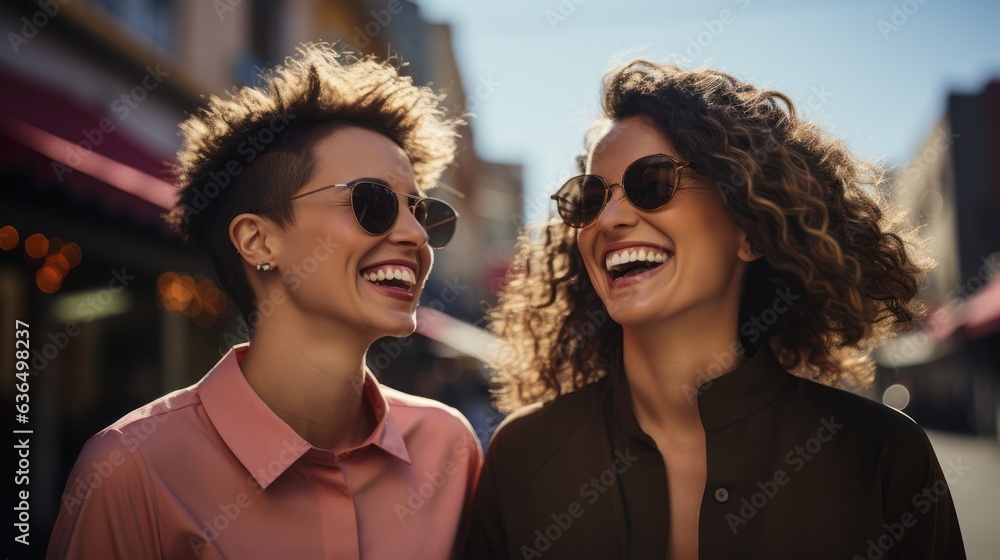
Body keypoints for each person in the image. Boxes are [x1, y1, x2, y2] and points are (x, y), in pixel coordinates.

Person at [464, 60, 966, 559]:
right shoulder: (521, 456)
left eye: (654, 182)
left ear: (750, 229)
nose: (610, 217)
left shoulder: (881, 455)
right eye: (590, 198)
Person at [48, 43, 482, 559]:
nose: (416, 234)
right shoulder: (131, 469)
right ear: (258, 241)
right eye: (373, 202)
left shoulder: (448, 448)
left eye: (423, 212)